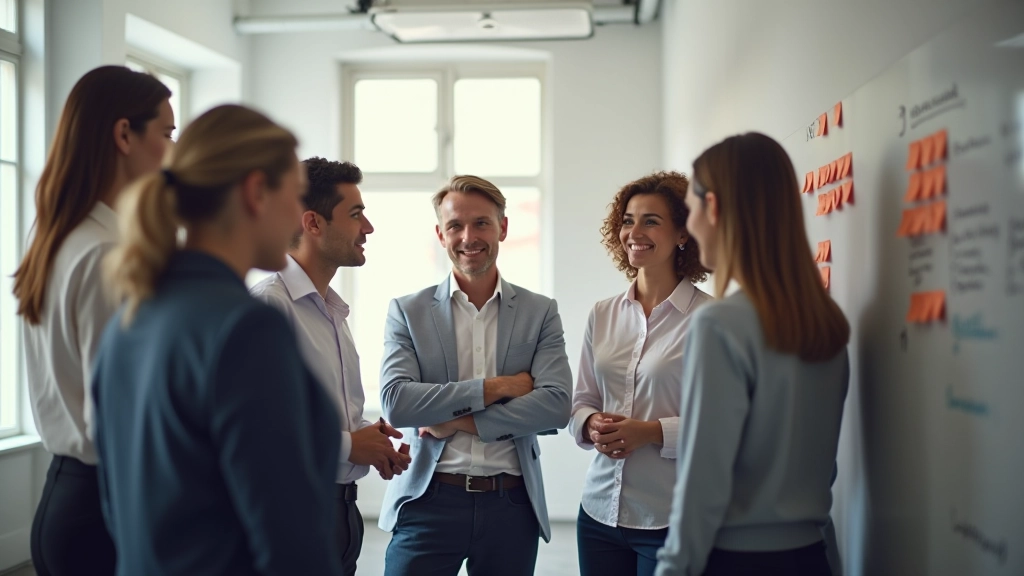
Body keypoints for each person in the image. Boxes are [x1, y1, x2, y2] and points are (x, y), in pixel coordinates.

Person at [91, 104, 342, 576]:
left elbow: (116, 506)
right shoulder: (245, 329)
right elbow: (289, 538)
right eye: (294, 196)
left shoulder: (131, 315)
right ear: (255, 192)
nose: (297, 217)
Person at [655, 132, 850, 576]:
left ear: (714, 207)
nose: (691, 224)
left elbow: (703, 484)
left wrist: (672, 568)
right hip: (811, 556)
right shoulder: (825, 320)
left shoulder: (719, 324)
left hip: (736, 562)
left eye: (691, 207)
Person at [12, 65, 173, 576]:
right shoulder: (108, 255)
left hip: (70, 495)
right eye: (166, 133)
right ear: (125, 134)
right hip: (106, 510)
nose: (171, 153)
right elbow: (122, 417)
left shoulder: (61, 238)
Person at [378, 175, 572, 576]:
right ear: (440, 234)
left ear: (503, 227)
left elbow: (555, 406)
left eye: (481, 223)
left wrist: (456, 421)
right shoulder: (407, 312)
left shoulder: (540, 312)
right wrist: (498, 387)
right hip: (428, 501)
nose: (469, 237)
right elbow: (397, 403)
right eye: (455, 226)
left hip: (512, 506)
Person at [250, 156, 411, 575]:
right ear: (313, 223)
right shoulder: (269, 307)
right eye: (356, 214)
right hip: (291, 514)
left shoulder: (332, 310)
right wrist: (349, 446)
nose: (368, 228)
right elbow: (258, 431)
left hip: (340, 512)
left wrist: (370, 441)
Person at [569, 172, 712, 576]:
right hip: (598, 513)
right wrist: (590, 423)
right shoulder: (602, 313)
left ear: (683, 233)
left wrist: (650, 432)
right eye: (628, 220)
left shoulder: (710, 319)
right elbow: (581, 400)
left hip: (670, 516)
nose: (634, 233)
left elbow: (722, 425)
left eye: (651, 221)